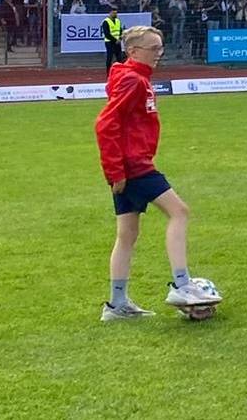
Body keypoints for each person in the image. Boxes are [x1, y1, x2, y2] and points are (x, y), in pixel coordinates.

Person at [93, 25, 219, 320]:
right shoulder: (133, 82)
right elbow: (104, 124)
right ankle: (183, 284)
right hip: (135, 166)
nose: (159, 54)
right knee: (179, 212)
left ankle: (117, 304)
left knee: (127, 235)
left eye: (161, 48)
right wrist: (116, 171)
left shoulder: (135, 79)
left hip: (129, 166)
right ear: (134, 51)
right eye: (154, 49)